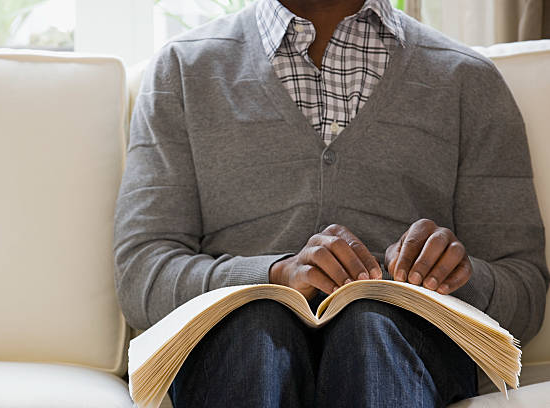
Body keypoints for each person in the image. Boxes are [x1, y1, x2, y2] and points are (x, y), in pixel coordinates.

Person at [113, 0, 549, 406]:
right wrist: (272, 276)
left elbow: (525, 293)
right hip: (238, 349)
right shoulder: (182, 71)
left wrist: (456, 277)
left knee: (370, 326)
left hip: (406, 344)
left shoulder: (467, 79)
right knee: (257, 326)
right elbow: (141, 275)